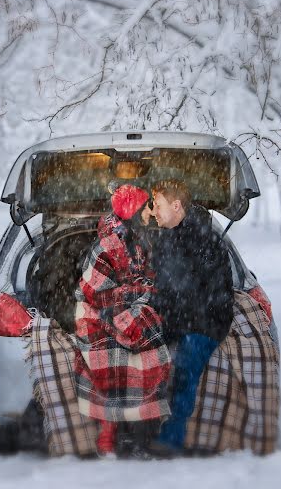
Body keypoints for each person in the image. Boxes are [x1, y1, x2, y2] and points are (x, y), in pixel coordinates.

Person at [74, 184, 171, 457]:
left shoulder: (140, 240)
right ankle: (112, 436)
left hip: (127, 316)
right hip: (99, 318)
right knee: (116, 361)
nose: (151, 212)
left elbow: (149, 278)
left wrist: (147, 293)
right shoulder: (107, 245)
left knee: (152, 358)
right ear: (134, 211)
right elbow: (91, 293)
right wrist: (135, 294)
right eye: (147, 207)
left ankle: (141, 438)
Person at [149, 179, 234, 454]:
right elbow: (165, 287)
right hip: (181, 317)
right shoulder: (168, 238)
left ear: (176, 206)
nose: (154, 210)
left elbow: (199, 292)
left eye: (158, 204)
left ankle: (171, 440)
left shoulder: (201, 238)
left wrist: (168, 320)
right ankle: (134, 429)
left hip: (204, 323)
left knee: (183, 371)